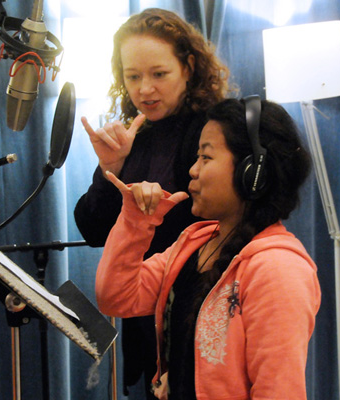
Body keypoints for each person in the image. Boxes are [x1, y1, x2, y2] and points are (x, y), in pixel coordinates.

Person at [95, 97, 321, 400]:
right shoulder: (194, 243)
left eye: (206, 157)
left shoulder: (278, 269)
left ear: (252, 173)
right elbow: (115, 298)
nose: (193, 170)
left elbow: (279, 391)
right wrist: (136, 221)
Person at [74, 8, 231, 398]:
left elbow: (213, 226)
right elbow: (93, 230)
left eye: (159, 74)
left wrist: (147, 210)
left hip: (200, 310)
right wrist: (111, 169)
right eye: (132, 76)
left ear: (189, 67)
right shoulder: (133, 134)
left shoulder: (217, 130)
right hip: (144, 314)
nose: (144, 89)